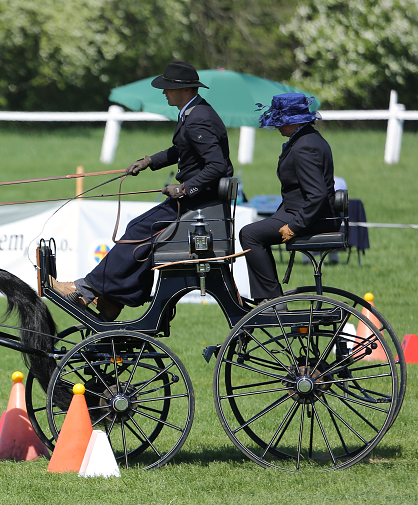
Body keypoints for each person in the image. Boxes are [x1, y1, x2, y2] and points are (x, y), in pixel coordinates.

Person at [50, 61, 234, 320]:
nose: (164, 93)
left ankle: (87, 289)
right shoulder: (194, 113)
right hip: (198, 199)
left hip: (198, 202)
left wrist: (184, 188)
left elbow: (217, 165)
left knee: (139, 230)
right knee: (140, 227)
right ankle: (113, 299)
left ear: (185, 90)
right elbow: (183, 150)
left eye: (168, 88)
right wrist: (150, 161)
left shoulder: (198, 119)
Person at [239, 93, 340, 303]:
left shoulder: (305, 146)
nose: (277, 127)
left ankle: (269, 299)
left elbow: (317, 194)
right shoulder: (307, 139)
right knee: (252, 232)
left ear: (294, 122)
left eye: (280, 122)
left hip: (311, 218)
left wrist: (295, 226)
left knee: (250, 235)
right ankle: (268, 297)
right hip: (298, 212)